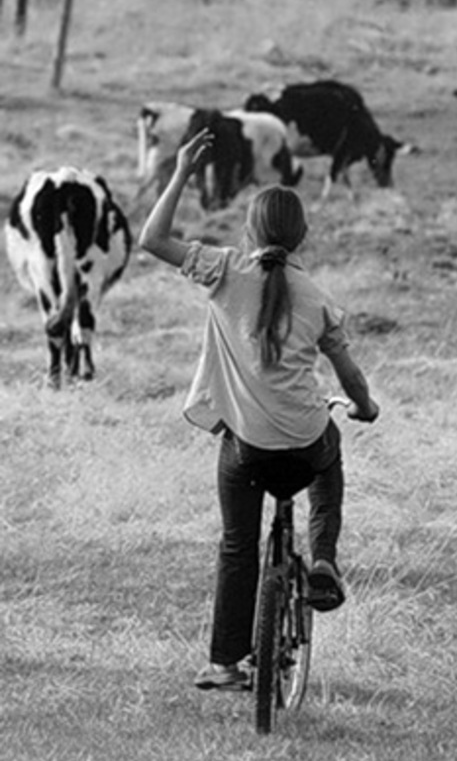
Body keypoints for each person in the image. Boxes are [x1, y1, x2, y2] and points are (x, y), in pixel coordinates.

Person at [139, 129, 379, 692]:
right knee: (329, 457)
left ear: (250, 230)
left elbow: (152, 238)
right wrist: (364, 407)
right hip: (302, 445)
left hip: (246, 450)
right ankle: (323, 560)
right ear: (302, 237)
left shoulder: (222, 270)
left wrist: (180, 173)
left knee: (236, 545)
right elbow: (348, 377)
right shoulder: (317, 296)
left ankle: (225, 663)